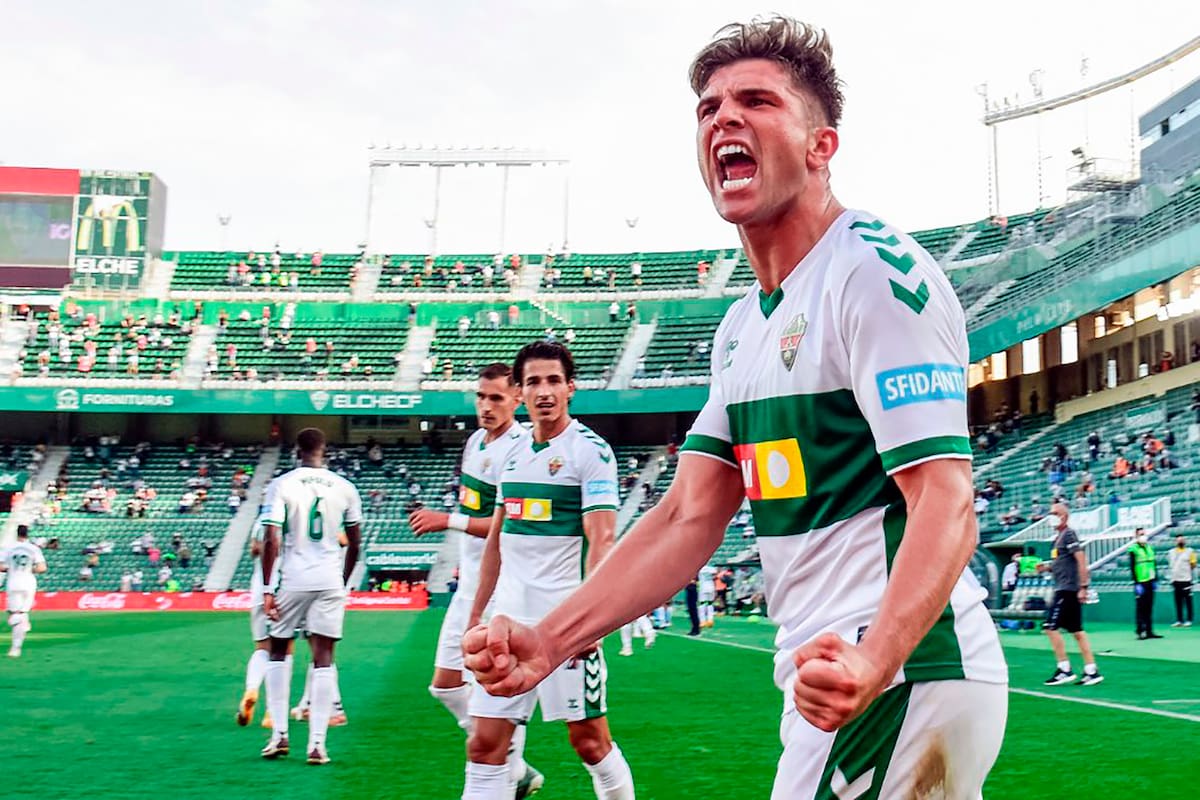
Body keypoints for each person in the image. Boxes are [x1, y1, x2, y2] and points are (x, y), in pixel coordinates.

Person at [465, 18, 1006, 799]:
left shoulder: (873, 276)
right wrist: (549, 641)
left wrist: (876, 657)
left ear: (822, 145)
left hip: (901, 675)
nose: (724, 117)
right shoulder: (742, 327)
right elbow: (689, 514)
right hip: (839, 679)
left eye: (757, 100)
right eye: (709, 107)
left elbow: (948, 500)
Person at [462, 341, 634, 800]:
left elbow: (602, 538)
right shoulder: (512, 456)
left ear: (570, 388)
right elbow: (496, 541)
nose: (544, 391)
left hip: (564, 624)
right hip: (506, 623)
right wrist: (476, 615)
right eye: (534, 382)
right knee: (484, 744)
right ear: (519, 391)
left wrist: (591, 618)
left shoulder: (590, 452)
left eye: (554, 381)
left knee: (590, 742)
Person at [407, 363, 543, 797]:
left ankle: (503, 759)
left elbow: (508, 525)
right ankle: (513, 762)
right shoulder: (474, 442)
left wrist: (448, 520)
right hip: (471, 582)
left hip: (504, 587)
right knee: (444, 685)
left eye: (496, 398)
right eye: (481, 396)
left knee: (496, 684)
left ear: (517, 400)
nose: (486, 406)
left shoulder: (521, 450)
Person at [259, 428, 362, 765]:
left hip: (294, 577)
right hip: (330, 579)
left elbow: (272, 538)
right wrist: (343, 581)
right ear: (325, 450)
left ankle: (279, 736)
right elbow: (355, 543)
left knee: (278, 650)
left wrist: (267, 589)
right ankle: (317, 745)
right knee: (323, 658)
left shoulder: (283, 484)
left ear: (296, 451)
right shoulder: (345, 487)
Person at [1041, 505, 1103, 686]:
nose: (1052, 517)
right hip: (1064, 587)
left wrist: (1083, 586)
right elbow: (1062, 563)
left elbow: (1081, 559)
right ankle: (1091, 670)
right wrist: (1046, 568)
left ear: (1065, 516)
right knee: (1077, 631)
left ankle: (1064, 668)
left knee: (1050, 627)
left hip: (1067, 589)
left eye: (1055, 513)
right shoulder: (1057, 539)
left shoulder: (1069, 535)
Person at [1, 526, 47, 658]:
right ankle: (23, 621)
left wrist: (11, 568)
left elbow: (1, 566)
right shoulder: (34, 548)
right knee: (21, 613)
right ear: (27, 534)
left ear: (17, 534)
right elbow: (42, 568)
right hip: (29, 583)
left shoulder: (8, 548)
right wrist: (28, 569)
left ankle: (15, 648)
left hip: (13, 582)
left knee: (14, 614)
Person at [1129, 528, 1162, 640]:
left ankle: (1149, 631)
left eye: (1144, 534)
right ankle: (1140, 631)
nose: (1143, 536)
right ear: (1136, 536)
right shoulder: (1133, 549)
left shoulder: (1149, 548)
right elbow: (1132, 567)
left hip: (1150, 580)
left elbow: (1153, 564)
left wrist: (1155, 579)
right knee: (1140, 608)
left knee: (1149, 607)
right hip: (1141, 582)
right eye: (1141, 534)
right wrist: (1136, 583)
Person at [1168, 535, 1196, 627]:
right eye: (1178, 540)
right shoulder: (1171, 552)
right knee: (1178, 601)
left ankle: (1189, 619)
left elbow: (1193, 565)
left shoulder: (1190, 552)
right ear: (1175, 541)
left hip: (1186, 580)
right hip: (1175, 580)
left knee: (1188, 601)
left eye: (1182, 540)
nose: (1180, 541)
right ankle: (1179, 620)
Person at [698, 563, 717, 628]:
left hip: (703, 587)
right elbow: (715, 576)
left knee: (702, 604)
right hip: (711, 586)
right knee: (710, 603)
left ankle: (702, 621)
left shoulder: (700, 568)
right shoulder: (712, 569)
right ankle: (710, 620)